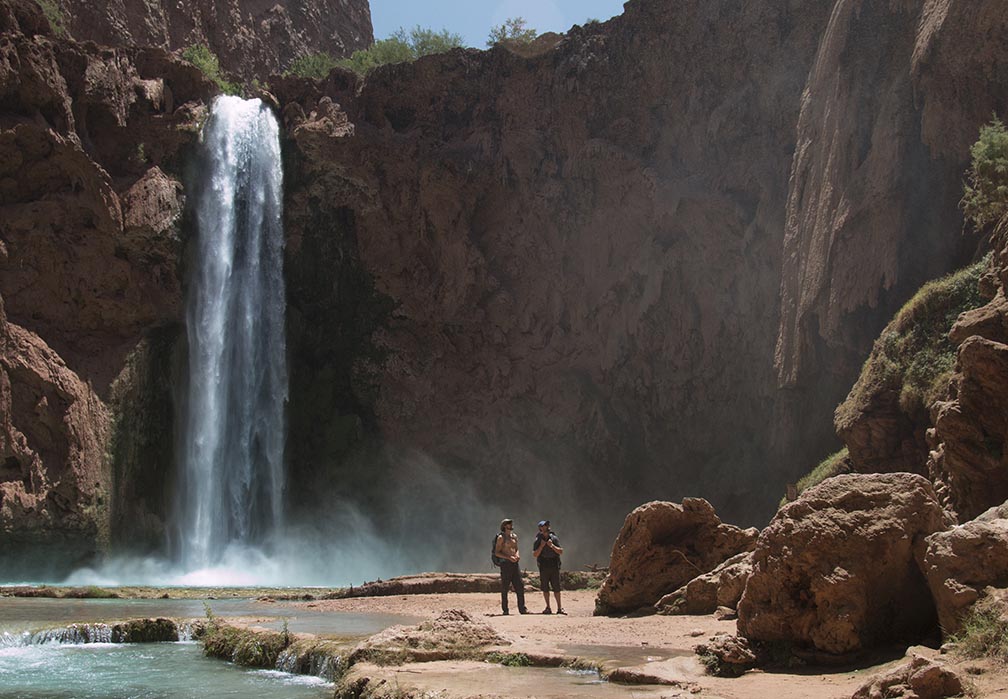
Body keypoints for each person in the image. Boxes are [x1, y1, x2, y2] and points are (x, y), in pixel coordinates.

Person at [495, 518, 528, 615]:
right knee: (505, 587)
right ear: (505, 526)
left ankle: (522, 609)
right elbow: (497, 552)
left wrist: (517, 555)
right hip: (505, 564)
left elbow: (516, 548)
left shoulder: (514, 536)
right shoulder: (501, 538)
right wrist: (509, 557)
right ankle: (505, 610)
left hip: (514, 563)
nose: (511, 525)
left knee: (520, 585)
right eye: (509, 524)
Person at [533, 519, 565, 614]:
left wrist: (552, 546)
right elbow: (535, 554)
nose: (546, 528)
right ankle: (548, 607)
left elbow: (561, 551)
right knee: (545, 587)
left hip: (554, 564)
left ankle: (559, 608)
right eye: (543, 526)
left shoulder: (554, 538)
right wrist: (542, 546)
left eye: (546, 526)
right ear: (540, 528)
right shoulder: (538, 540)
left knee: (556, 587)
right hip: (543, 565)